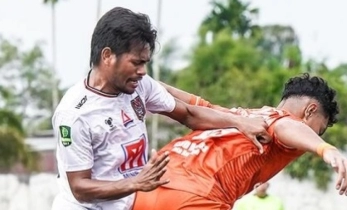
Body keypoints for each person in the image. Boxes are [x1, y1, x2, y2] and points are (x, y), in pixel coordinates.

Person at [50, 7, 271, 210]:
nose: (143, 71)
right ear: (107, 56)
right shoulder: (74, 114)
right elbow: (80, 188)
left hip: (133, 201)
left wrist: (240, 122)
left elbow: (189, 114)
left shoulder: (139, 86)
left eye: (146, 63)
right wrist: (136, 182)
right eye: (136, 62)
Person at [133, 73, 347, 210]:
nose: (314, 137)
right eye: (318, 130)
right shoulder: (279, 125)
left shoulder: (237, 115)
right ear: (310, 111)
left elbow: (184, 99)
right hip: (196, 196)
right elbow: (286, 126)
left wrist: (133, 76)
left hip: (148, 188)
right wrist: (326, 149)